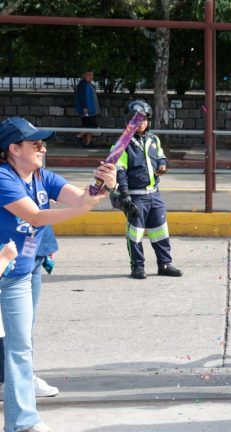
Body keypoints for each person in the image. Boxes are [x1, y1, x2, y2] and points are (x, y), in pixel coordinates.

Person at [0, 116, 116, 432]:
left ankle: (20, 404)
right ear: (13, 148)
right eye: (34, 143)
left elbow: (80, 197)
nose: (43, 147)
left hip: (23, 271)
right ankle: (21, 421)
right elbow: (35, 215)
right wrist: (85, 207)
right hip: (3, 273)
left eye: (43, 142)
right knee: (17, 347)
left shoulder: (43, 177)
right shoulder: (2, 178)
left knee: (19, 344)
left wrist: (103, 184)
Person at [110, 100, 183, 280]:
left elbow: (160, 156)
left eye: (145, 120)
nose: (142, 123)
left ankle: (164, 263)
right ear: (129, 121)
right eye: (137, 120)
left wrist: (162, 165)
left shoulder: (153, 139)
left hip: (154, 194)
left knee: (160, 229)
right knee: (135, 233)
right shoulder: (122, 144)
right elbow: (120, 171)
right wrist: (125, 195)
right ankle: (137, 266)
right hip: (136, 196)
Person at [0, 226, 60, 399]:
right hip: (9, 250)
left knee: (25, 324)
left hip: (33, 248)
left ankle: (23, 377)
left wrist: (47, 244)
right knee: (8, 325)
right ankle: (8, 380)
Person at [73, 69, 100, 147]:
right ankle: (78, 136)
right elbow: (82, 97)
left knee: (89, 125)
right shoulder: (83, 85)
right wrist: (84, 107)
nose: (91, 77)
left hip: (92, 109)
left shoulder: (89, 85)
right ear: (84, 76)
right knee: (90, 125)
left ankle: (88, 142)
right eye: (89, 75)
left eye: (92, 75)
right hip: (87, 109)